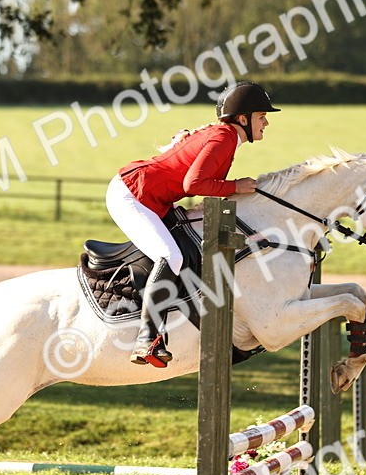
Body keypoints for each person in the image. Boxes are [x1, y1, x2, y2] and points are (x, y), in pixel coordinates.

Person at [105, 81, 279, 367]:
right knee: (170, 256)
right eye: (262, 116)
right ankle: (147, 339)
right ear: (243, 119)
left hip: (153, 196)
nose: (266, 123)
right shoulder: (224, 138)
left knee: (189, 245)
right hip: (133, 195)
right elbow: (194, 184)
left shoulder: (224, 136)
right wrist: (235, 186)